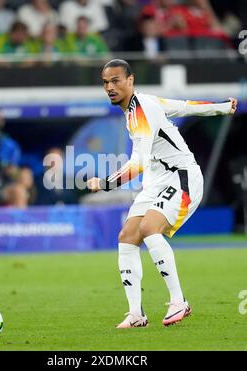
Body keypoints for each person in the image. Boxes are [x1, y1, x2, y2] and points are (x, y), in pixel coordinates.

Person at [87, 59, 237, 328]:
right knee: (127, 236)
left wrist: (106, 183)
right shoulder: (143, 103)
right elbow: (183, 107)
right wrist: (223, 107)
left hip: (181, 177)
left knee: (149, 228)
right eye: (105, 82)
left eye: (115, 81)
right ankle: (136, 314)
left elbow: (139, 163)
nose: (109, 87)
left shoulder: (140, 111)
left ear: (130, 81)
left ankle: (179, 301)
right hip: (156, 182)